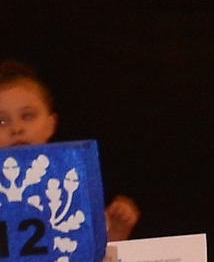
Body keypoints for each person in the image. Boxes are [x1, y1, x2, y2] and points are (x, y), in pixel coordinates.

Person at [0, 60, 142, 241]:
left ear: (51, 123)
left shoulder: (72, 182)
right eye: (1, 121)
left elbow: (83, 250)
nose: (16, 128)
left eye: (27, 116)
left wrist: (115, 232)